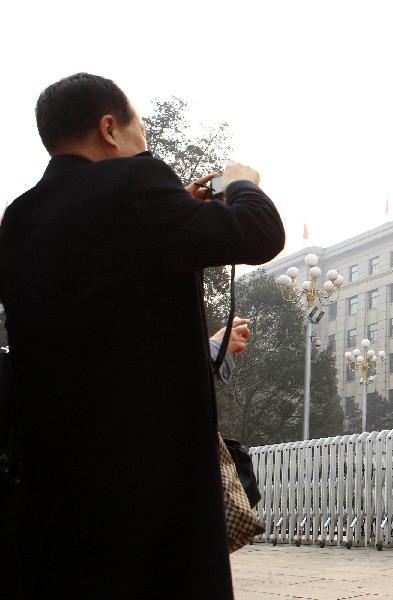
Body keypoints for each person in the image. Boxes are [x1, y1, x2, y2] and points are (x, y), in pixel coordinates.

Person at [0, 73, 285, 599]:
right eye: (140, 132)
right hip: (149, 492)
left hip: (50, 490)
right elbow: (261, 233)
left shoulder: (18, 219)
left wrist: (179, 205)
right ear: (110, 128)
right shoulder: (134, 184)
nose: (144, 145)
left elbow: (107, 309)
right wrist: (241, 184)